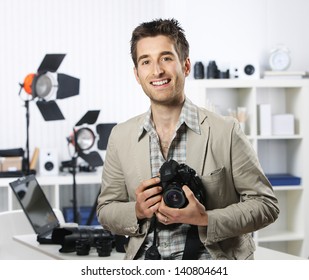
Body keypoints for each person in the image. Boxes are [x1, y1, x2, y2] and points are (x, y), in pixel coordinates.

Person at [96, 18, 279, 260]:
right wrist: (137, 211)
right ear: (137, 74)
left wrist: (206, 219)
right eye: (146, 61)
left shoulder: (226, 131)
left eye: (166, 58)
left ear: (185, 65)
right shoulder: (121, 137)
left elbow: (266, 205)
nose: (157, 70)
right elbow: (106, 210)